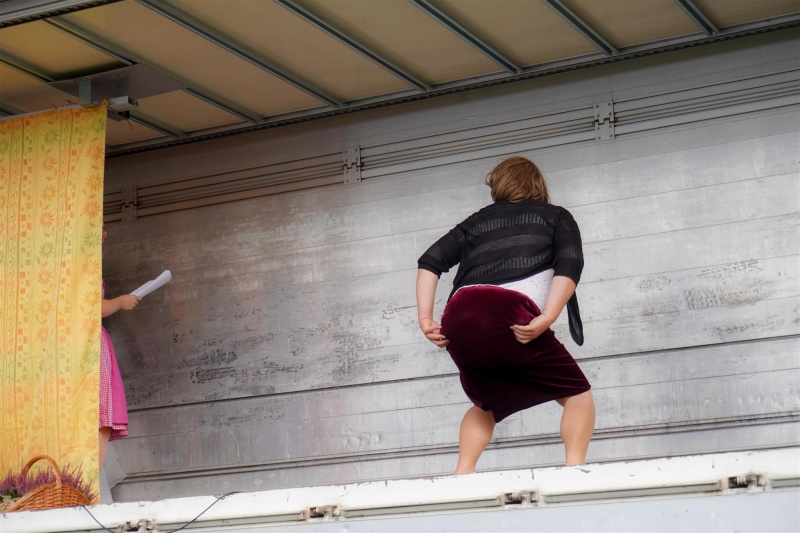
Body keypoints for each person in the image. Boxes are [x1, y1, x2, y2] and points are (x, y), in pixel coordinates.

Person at [416, 156, 595, 474]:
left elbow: (430, 260)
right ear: (538, 184)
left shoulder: (476, 222)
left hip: (459, 316)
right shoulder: (556, 217)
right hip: (508, 312)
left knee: (485, 403)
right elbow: (570, 264)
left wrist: (425, 318)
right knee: (578, 395)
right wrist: (548, 316)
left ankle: (462, 475)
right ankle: (574, 472)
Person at [99, 226, 141, 469]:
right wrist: (120, 302)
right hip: (88, 346)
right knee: (100, 416)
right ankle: (87, 482)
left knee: (100, 417)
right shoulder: (79, 263)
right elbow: (91, 305)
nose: (104, 234)